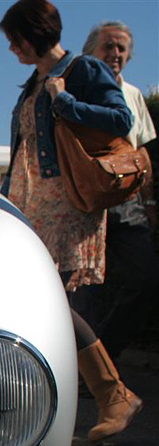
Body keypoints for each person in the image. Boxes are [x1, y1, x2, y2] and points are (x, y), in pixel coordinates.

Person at [0, 0, 139, 441]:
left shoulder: (82, 70)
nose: (11, 49)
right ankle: (41, 399)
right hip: (32, 203)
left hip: (67, 201)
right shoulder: (32, 82)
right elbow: (21, 152)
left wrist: (67, 103)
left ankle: (113, 394)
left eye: (14, 40)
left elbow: (122, 119)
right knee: (36, 300)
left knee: (52, 300)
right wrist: (5, 200)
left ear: (31, 34)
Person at [75, 20, 159, 362]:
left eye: (121, 48)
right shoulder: (72, 87)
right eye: (108, 46)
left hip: (127, 203)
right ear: (90, 51)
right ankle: (83, 373)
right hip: (86, 202)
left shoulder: (135, 95)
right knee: (84, 291)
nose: (115, 53)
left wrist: (149, 204)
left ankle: (103, 359)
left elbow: (144, 154)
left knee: (147, 279)